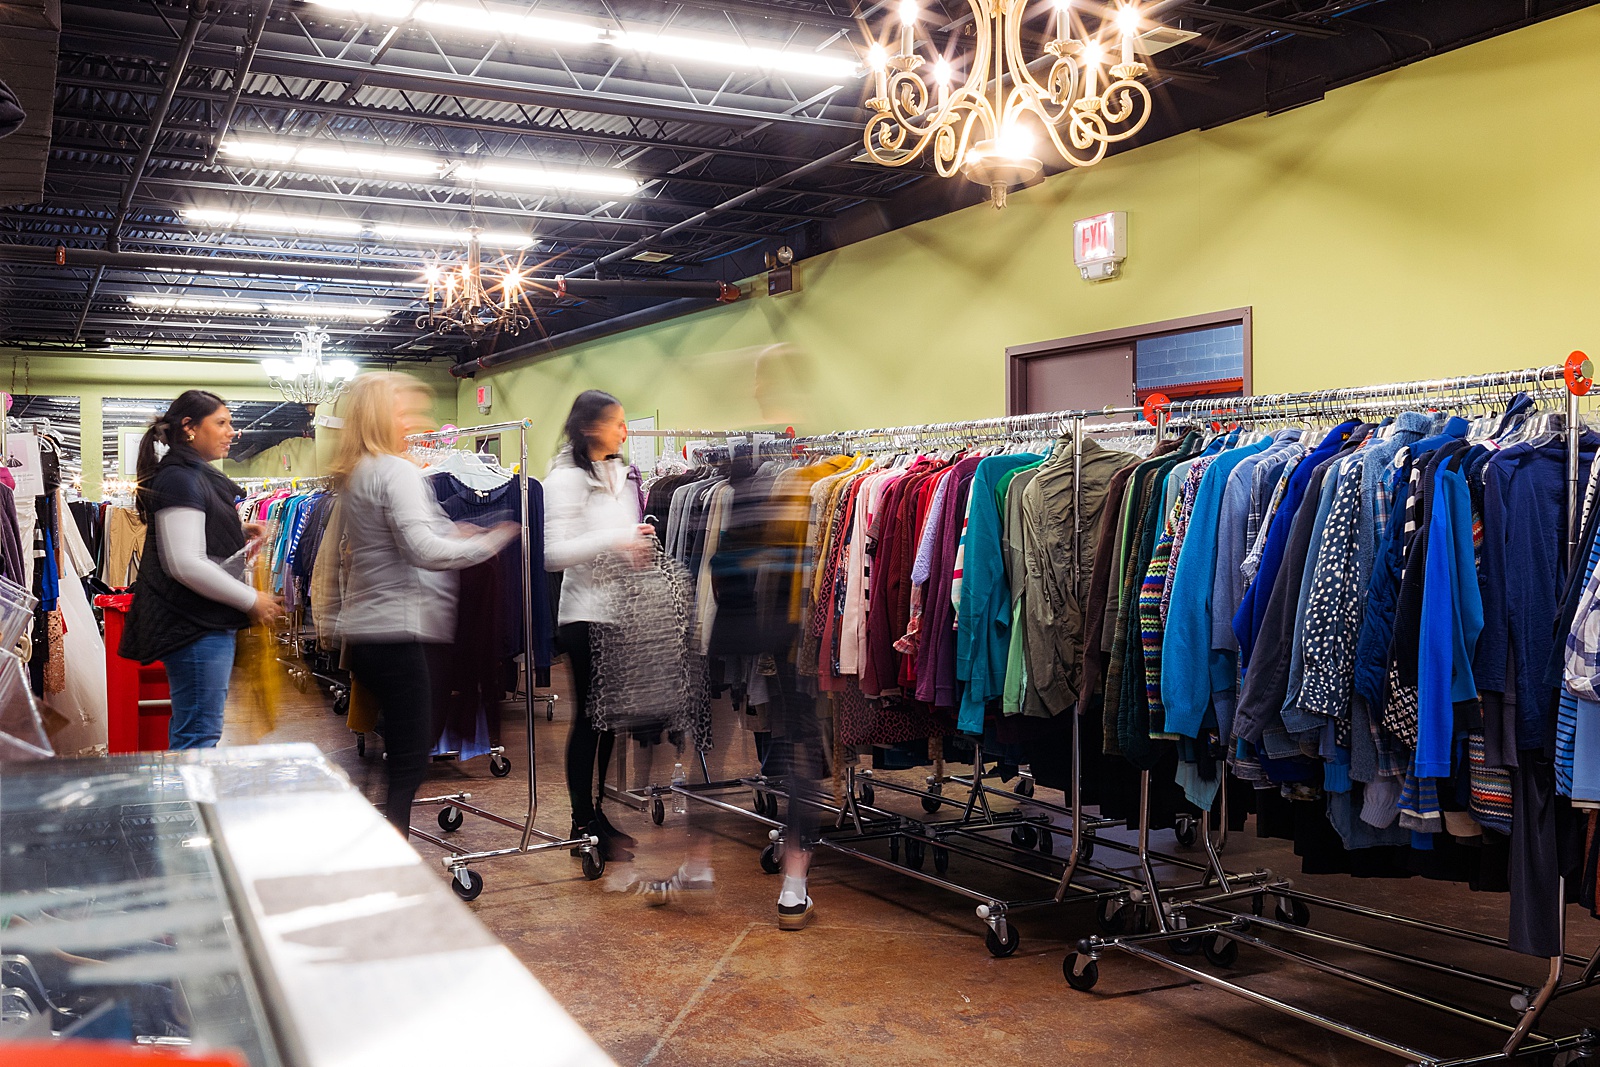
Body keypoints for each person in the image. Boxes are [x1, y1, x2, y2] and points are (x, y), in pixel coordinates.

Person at [331, 373, 518, 832]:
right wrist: (486, 544)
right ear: (381, 416)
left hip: (370, 631)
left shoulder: (358, 474)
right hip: (406, 631)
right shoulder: (397, 471)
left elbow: (388, 544)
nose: (416, 421)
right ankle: (394, 856)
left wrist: (452, 533)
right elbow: (420, 550)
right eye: (405, 411)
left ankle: (383, 842)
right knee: (412, 757)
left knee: (400, 751)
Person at [120, 389, 280, 750]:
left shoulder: (189, 475)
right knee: (198, 736)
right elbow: (185, 563)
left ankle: (188, 804)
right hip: (194, 624)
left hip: (198, 622)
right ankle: (187, 806)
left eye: (231, 423)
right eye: (221, 423)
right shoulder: (180, 478)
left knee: (197, 730)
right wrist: (251, 599)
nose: (231, 431)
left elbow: (187, 539)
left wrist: (236, 531)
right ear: (190, 427)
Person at [544, 390, 657, 864]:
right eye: (617, 423)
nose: (625, 431)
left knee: (610, 721)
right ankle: (581, 820)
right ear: (592, 427)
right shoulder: (565, 479)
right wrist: (618, 538)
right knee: (591, 720)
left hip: (618, 613)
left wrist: (636, 549)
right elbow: (553, 555)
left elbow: (615, 542)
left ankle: (596, 812)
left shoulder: (620, 475)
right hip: (583, 614)